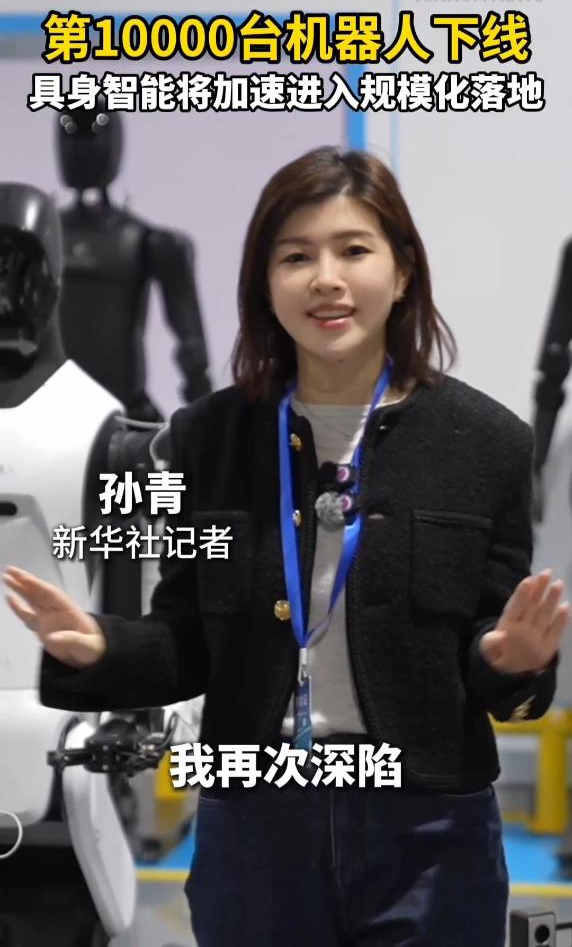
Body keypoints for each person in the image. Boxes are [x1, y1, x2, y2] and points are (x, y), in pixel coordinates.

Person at [3, 146, 570, 947]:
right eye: (296, 256)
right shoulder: (209, 436)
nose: (325, 279)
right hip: (256, 831)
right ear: (265, 283)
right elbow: (187, 639)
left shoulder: (487, 443)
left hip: (430, 834)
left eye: (353, 250)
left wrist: (509, 659)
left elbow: (492, 666)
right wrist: (100, 646)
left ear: (402, 272)